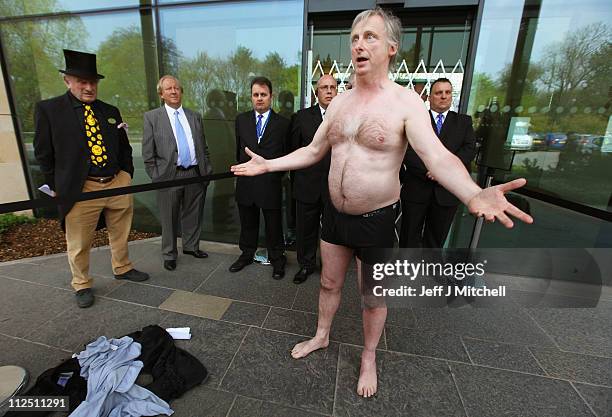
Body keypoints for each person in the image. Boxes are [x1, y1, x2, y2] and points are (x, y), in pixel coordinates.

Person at [231, 8, 532, 397]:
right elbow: (311, 150)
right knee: (327, 283)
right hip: (334, 216)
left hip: (376, 219)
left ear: (391, 48)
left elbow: (438, 157)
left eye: (370, 37)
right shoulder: (338, 104)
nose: (359, 44)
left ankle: (369, 355)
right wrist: (269, 164)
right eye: (355, 37)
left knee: (374, 298)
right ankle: (322, 335)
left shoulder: (406, 104)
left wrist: (473, 192)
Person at [34, 49, 149, 308]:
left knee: (121, 231)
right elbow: (43, 153)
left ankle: (122, 267)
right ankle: (82, 283)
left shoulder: (110, 110)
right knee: (79, 241)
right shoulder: (49, 110)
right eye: (82, 82)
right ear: (67, 81)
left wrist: (126, 174)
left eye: (92, 82)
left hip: (116, 182)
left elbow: (123, 147)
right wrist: (57, 187)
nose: (88, 87)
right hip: (80, 187)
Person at [142, 75, 213, 271]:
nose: (173, 91)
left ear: (181, 91)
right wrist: (157, 177)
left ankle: (191, 247)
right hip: (168, 176)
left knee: (193, 213)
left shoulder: (194, 116)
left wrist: (206, 170)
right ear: (161, 94)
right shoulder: (152, 117)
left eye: (176, 88)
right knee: (169, 218)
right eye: (168, 89)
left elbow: (203, 146)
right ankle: (169, 254)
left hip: (195, 174)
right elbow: (148, 153)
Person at [400, 77, 477, 248]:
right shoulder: (416, 120)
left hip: (447, 192)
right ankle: (405, 272)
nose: (443, 96)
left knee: (436, 239)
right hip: (417, 189)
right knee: (409, 236)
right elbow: (407, 149)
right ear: (429, 97)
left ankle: (429, 272)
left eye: (447, 92)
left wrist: (442, 171)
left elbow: (468, 149)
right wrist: (431, 170)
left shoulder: (463, 122)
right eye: (438, 93)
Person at [229, 76, 290, 279]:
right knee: (247, 223)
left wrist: (275, 175)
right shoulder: (241, 120)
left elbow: (287, 154)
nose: (259, 98)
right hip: (246, 183)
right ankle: (246, 254)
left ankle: (277, 259)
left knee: (273, 225)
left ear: (271, 97)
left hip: (270, 184)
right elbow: (239, 150)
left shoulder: (283, 123)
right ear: (251, 97)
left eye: (263, 95)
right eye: (256, 95)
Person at [290, 74, 338, 284]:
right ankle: (306, 265)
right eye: (324, 88)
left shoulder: (345, 116)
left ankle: (330, 268)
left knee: (332, 231)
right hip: (307, 184)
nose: (328, 91)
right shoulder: (301, 117)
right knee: (306, 229)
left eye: (332, 87)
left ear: (337, 91)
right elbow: (293, 151)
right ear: (316, 92)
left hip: (334, 186)